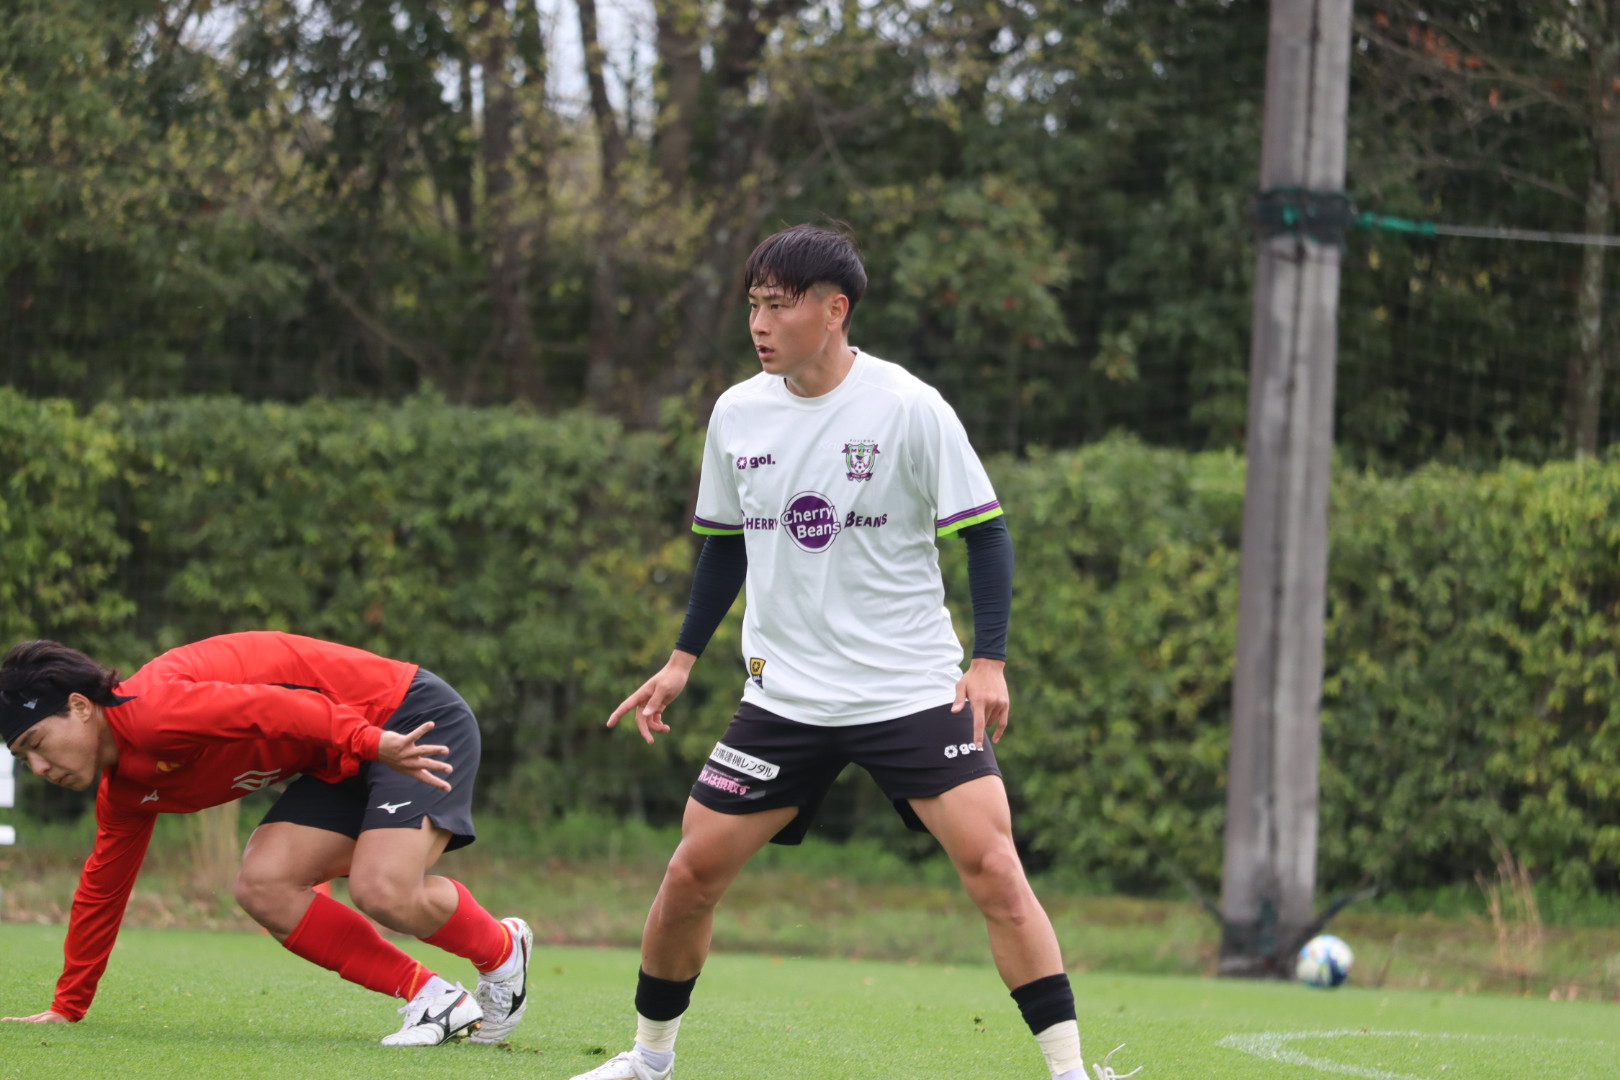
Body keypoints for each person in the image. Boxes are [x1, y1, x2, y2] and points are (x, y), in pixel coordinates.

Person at [570, 225, 1138, 1080]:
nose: (760, 324)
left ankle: (1069, 1072)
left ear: (834, 311)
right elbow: (724, 545)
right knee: (690, 875)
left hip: (910, 690)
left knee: (994, 868)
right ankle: (649, 1062)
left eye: (778, 305)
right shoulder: (736, 412)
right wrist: (682, 660)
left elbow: (987, 534)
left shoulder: (909, 406)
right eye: (754, 305)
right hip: (784, 698)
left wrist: (989, 661)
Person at [0, 631, 533, 1047]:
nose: (40, 766)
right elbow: (103, 888)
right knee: (264, 885)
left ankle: (502, 951)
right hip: (340, 752)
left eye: (37, 742)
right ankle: (433, 998)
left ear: (80, 706)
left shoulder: (156, 711)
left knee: (383, 889)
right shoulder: (125, 790)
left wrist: (372, 740)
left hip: (405, 720)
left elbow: (283, 708)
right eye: (25, 759)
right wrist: (67, 1006)